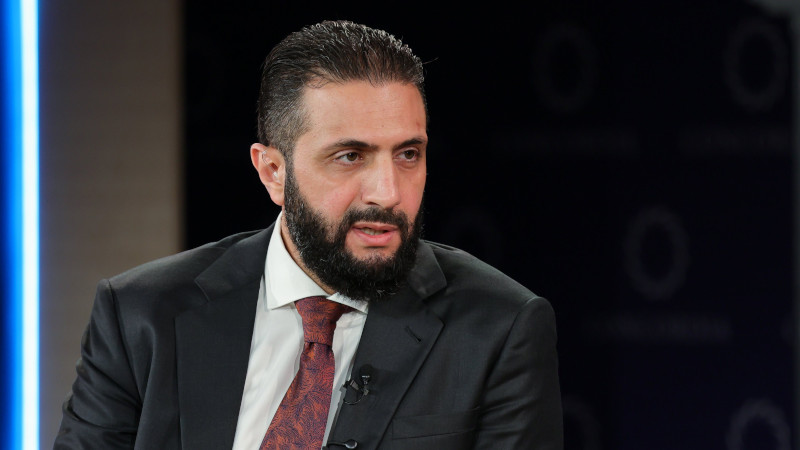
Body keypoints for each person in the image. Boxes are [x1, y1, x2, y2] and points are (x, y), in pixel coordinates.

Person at [55, 20, 563, 449]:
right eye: (350, 156)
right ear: (273, 172)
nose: (387, 193)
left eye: (408, 154)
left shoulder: (499, 329)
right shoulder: (141, 315)